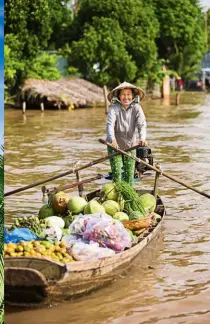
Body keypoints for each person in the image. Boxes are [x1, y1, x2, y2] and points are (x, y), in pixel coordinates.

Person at [106, 81, 147, 186]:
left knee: (129, 175)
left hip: (130, 145)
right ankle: (117, 196)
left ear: (133, 95)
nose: (126, 97)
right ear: (119, 96)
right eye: (123, 94)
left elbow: (141, 124)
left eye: (128, 94)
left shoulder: (136, 108)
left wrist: (142, 138)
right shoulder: (114, 108)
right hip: (114, 146)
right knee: (117, 174)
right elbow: (110, 125)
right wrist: (112, 140)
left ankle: (128, 197)